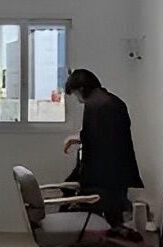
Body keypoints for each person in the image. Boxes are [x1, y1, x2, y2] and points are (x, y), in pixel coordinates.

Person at [62, 69, 144, 225]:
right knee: (113, 218)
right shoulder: (110, 101)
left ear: (81, 89)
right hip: (116, 172)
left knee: (102, 215)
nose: (78, 100)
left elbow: (97, 141)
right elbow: (99, 136)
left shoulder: (98, 105)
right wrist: (78, 139)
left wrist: (81, 173)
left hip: (106, 176)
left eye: (75, 95)